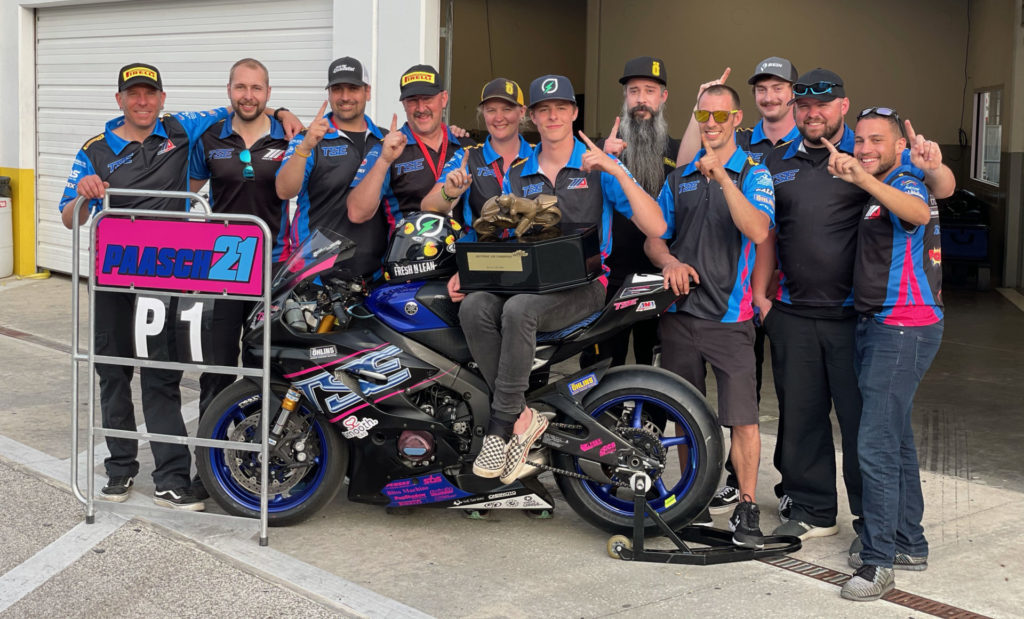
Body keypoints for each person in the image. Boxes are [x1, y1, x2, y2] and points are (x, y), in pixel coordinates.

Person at [58, 62, 299, 510]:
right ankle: (119, 467)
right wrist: (84, 195)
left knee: (161, 375)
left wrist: (284, 112)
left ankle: (171, 477)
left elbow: (244, 106)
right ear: (120, 101)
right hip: (113, 275)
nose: (143, 102)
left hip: (163, 277)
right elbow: (70, 217)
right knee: (112, 373)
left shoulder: (182, 128)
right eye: (133, 94)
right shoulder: (94, 149)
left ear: (163, 99)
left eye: (150, 93)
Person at [755, 69, 955, 542]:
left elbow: (937, 191)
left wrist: (932, 166)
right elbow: (766, 231)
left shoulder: (872, 158)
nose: (812, 113)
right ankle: (811, 509)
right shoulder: (773, 160)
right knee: (800, 417)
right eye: (803, 106)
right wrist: (763, 299)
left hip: (857, 317)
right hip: (793, 310)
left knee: (865, 424)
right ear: (793, 110)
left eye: (822, 104)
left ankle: (874, 520)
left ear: (842, 106)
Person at [447, 75, 667, 485]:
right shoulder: (517, 173)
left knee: (518, 310)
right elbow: (497, 237)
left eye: (560, 108)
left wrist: (615, 170)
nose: (552, 116)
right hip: (528, 282)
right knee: (476, 305)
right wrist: (469, 270)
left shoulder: (597, 164)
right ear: (532, 117)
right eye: (543, 110)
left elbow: (657, 224)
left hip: (584, 288)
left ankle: (500, 424)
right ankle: (524, 416)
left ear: (574, 113)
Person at [821, 109, 944, 601]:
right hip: (880, 324)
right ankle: (909, 542)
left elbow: (915, 213)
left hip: (903, 327)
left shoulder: (907, 183)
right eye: (860, 140)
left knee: (873, 443)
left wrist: (867, 181)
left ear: (898, 146)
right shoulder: (888, 181)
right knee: (895, 439)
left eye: (877, 140)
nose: (866, 147)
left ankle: (878, 562)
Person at [645, 84, 774, 548]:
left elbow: (758, 229)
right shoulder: (678, 177)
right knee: (686, 416)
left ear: (738, 119)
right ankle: (692, 498)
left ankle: (745, 505)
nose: (712, 124)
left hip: (731, 317)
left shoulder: (755, 174)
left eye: (722, 116)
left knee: (743, 418)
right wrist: (668, 262)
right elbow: (655, 236)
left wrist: (723, 178)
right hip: (678, 315)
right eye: (704, 115)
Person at [690, 57, 802, 515]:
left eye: (778, 88)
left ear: (793, 92)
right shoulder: (742, 141)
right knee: (744, 397)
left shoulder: (816, 141)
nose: (770, 96)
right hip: (746, 291)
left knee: (796, 394)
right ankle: (736, 486)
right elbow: (689, 167)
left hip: (797, 291)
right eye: (762, 89)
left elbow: (763, 229)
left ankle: (795, 487)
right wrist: (700, 107)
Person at [187, 58, 291, 499]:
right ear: (229, 90)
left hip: (274, 266)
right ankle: (206, 470)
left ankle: (259, 461)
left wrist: (289, 119)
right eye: (240, 87)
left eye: (257, 88)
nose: (248, 95)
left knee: (264, 367)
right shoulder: (210, 138)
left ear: (269, 93)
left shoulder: (288, 135)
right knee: (217, 370)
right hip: (224, 265)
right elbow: (187, 196)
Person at [578, 56, 679, 370]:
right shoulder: (597, 150)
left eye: (650, 91)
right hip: (609, 281)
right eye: (634, 91)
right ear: (625, 97)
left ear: (663, 97)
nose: (641, 99)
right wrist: (601, 163)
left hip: (660, 278)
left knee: (655, 369)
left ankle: (647, 421)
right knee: (602, 367)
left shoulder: (677, 153)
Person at [275, 56, 387, 275]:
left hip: (375, 274)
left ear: (368, 92)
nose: (345, 97)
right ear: (329, 93)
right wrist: (305, 147)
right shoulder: (309, 139)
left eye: (353, 88)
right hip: (316, 273)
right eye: (337, 89)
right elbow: (284, 190)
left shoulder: (385, 140)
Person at [347, 64, 474, 228]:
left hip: (459, 251)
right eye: (413, 100)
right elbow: (357, 213)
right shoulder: (388, 149)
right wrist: (384, 161)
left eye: (427, 98)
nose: (421, 108)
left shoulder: (466, 146)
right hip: (406, 251)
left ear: (443, 99)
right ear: (404, 104)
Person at [420, 77, 532, 233]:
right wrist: (448, 194)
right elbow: (427, 206)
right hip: (481, 254)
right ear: (483, 113)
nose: (499, 118)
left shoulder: (539, 155)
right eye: (491, 110)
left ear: (521, 112)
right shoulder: (467, 157)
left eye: (507, 109)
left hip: (530, 253)